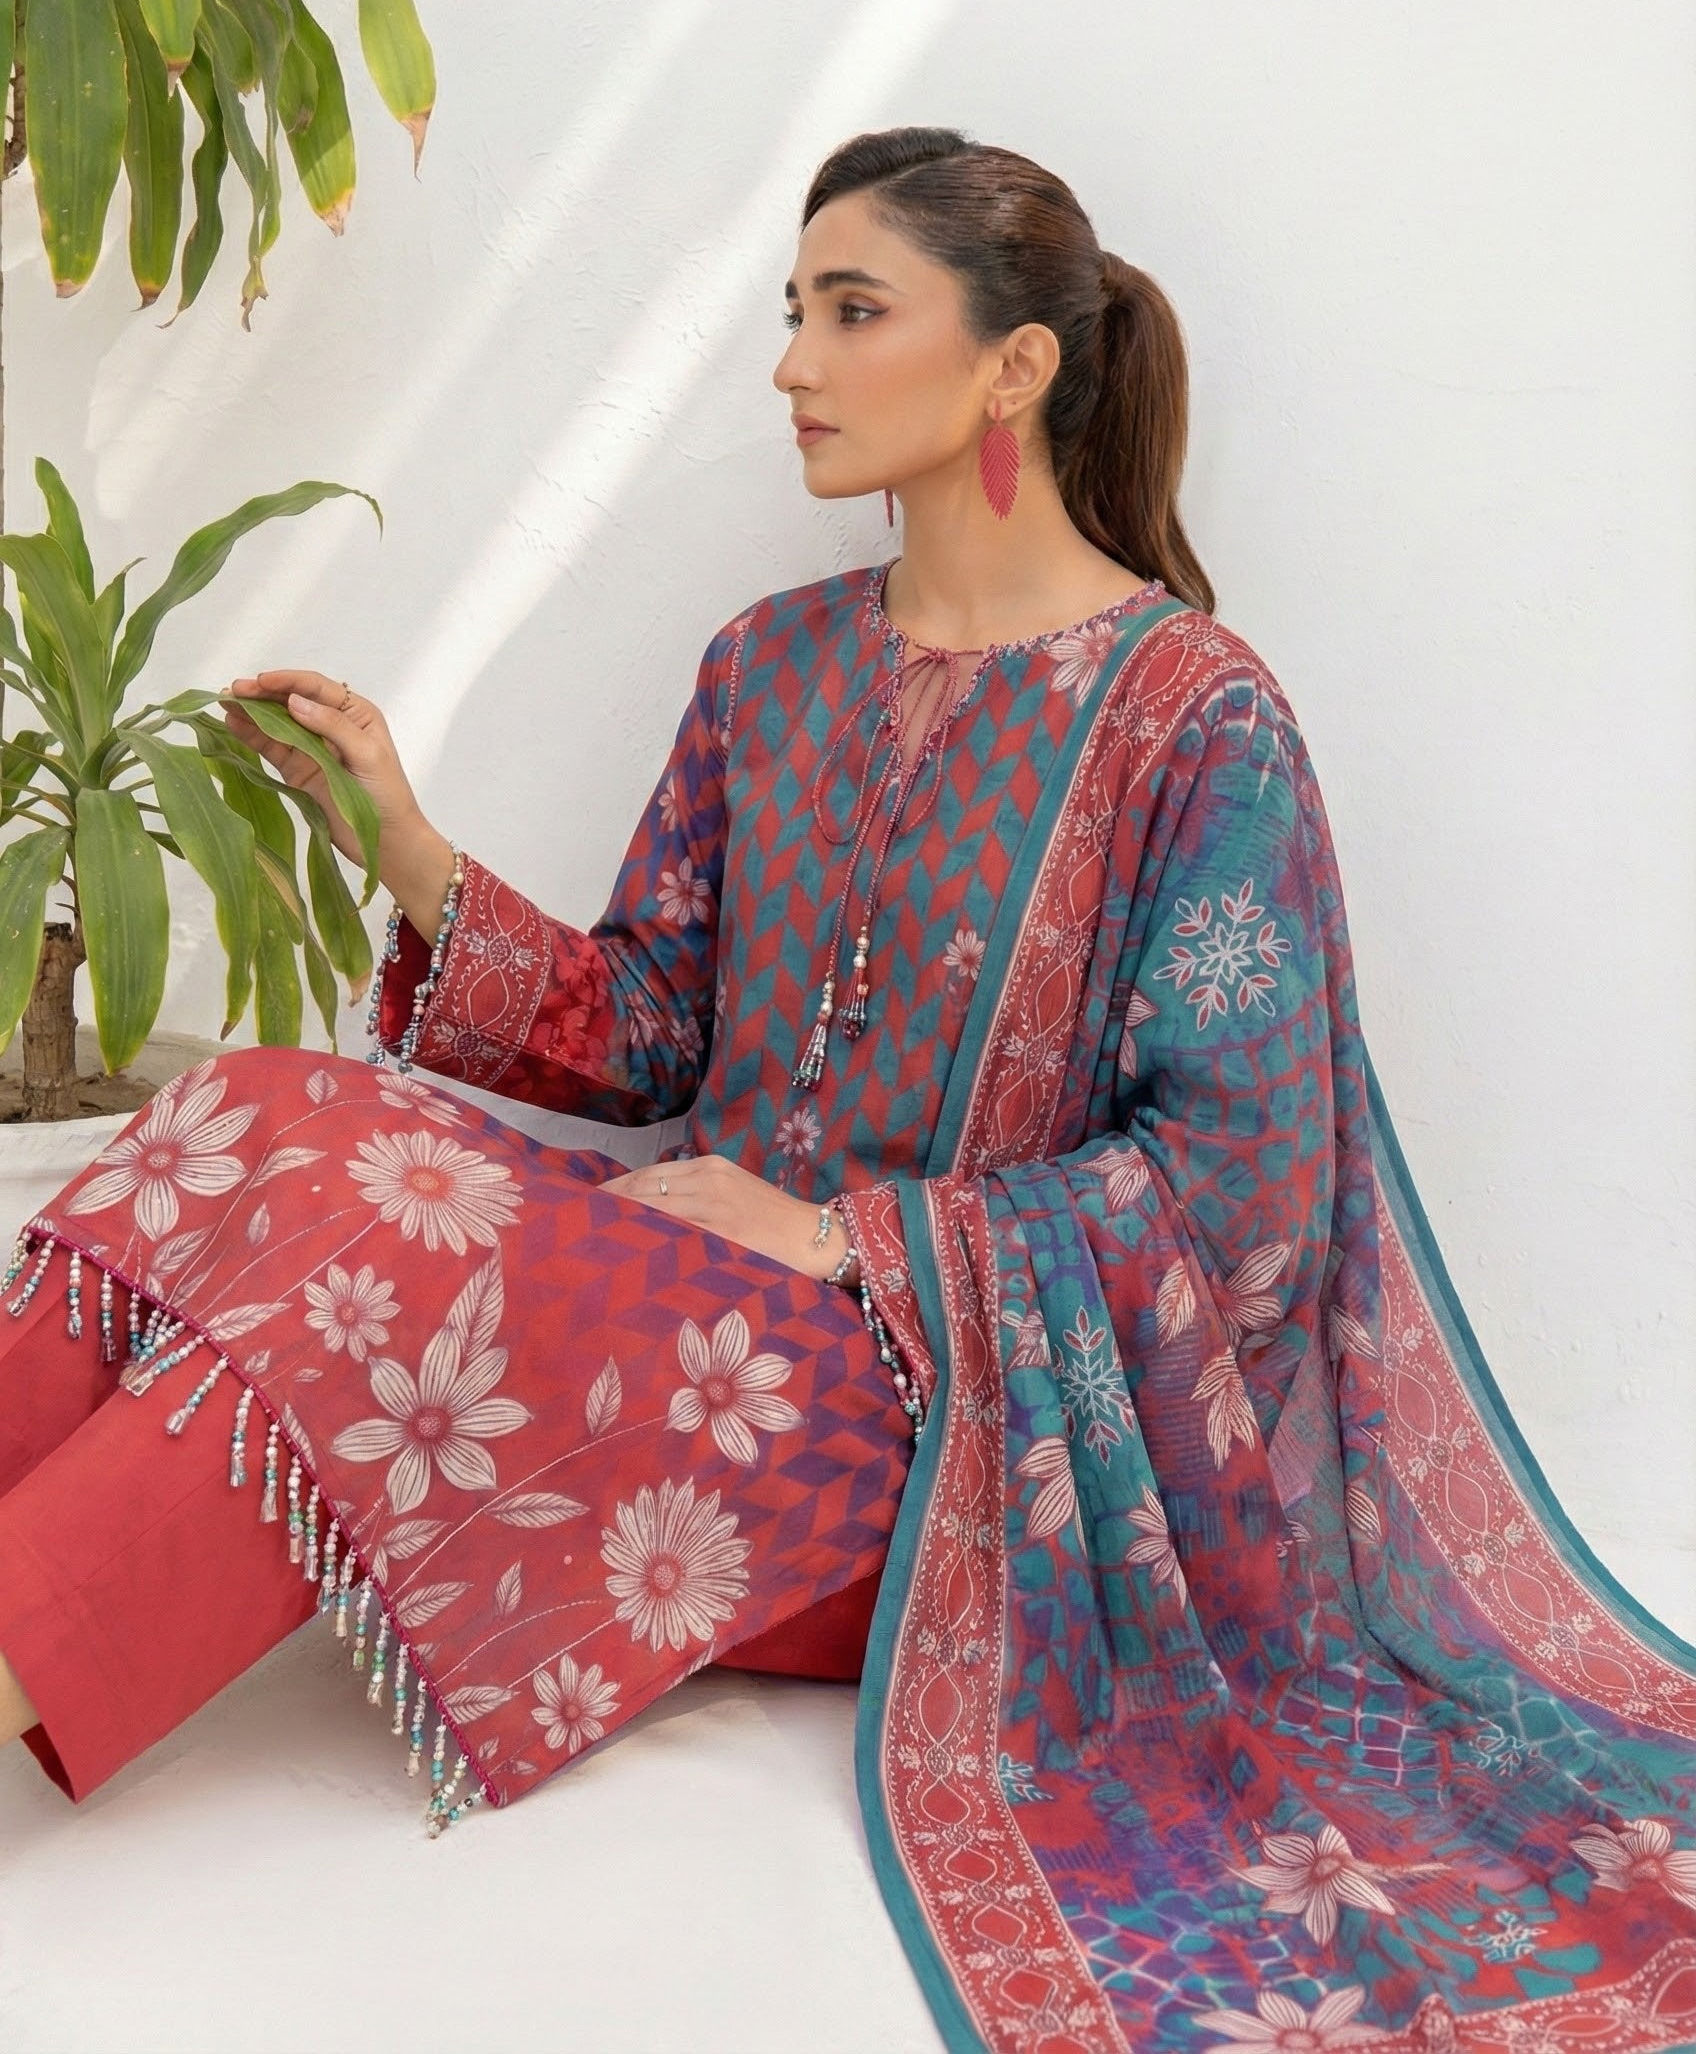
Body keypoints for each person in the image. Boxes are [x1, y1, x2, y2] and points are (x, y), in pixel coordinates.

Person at [3, 125, 1693, 2053]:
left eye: (852, 312)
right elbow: (652, 1028)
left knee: (393, 1272)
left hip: (950, 1434)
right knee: (266, 1113)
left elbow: (1243, 1194)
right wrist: (406, 843)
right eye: (794, 312)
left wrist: (844, 1241)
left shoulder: (1193, 722)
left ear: (1017, 364)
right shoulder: (770, 669)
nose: (793, 364)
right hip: (672, 1310)